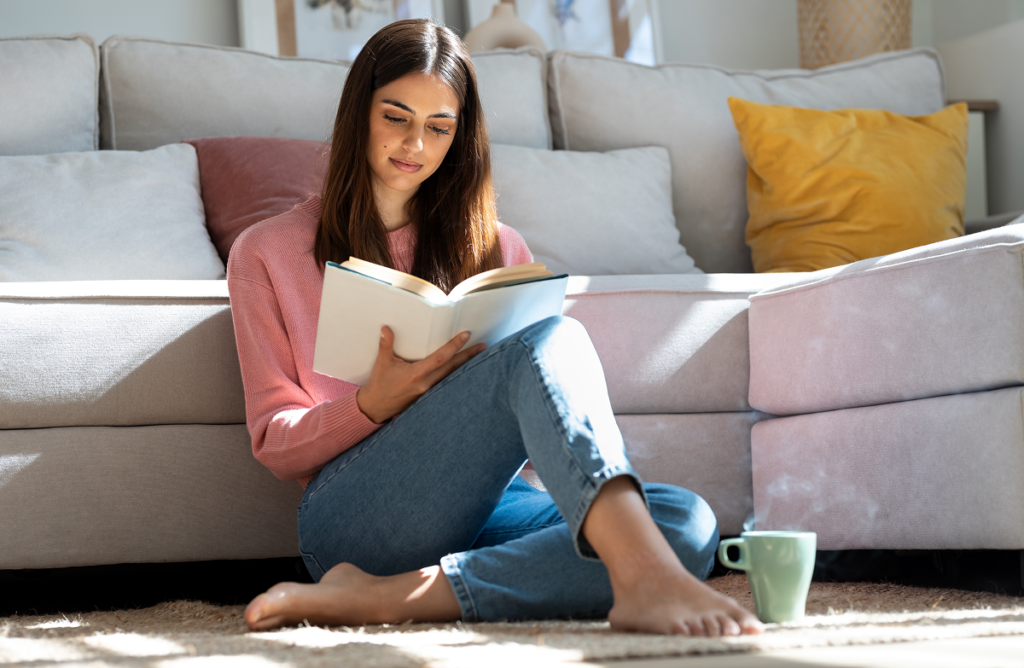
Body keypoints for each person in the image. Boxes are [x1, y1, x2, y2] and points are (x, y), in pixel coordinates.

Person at [227, 18, 762, 637]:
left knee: (684, 523)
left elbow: (535, 421)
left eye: (439, 127)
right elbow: (274, 439)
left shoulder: (498, 247)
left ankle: (392, 598)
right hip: (356, 514)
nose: (415, 145)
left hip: (495, 506)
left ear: (461, 136)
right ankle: (637, 577)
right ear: (358, 114)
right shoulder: (266, 250)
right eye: (395, 117)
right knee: (558, 345)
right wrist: (374, 404)